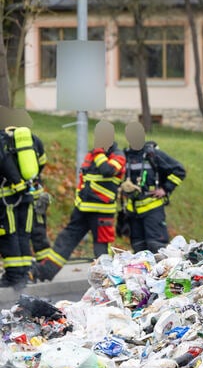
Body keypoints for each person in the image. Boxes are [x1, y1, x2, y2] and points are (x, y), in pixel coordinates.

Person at [35, 120, 126, 282]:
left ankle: (108, 280)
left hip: (102, 212)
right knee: (65, 240)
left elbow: (107, 170)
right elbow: (84, 180)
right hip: (82, 210)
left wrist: (98, 153)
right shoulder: (92, 155)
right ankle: (44, 272)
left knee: (101, 248)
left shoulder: (117, 155)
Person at [119, 121, 186, 253]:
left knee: (156, 246)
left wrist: (165, 189)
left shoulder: (153, 155)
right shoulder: (125, 156)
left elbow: (179, 171)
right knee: (138, 248)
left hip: (153, 210)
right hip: (133, 211)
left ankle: (160, 272)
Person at [0, 106, 45, 289]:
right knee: (23, 234)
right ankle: (25, 272)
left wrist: (14, 181)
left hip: (6, 199)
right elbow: (41, 162)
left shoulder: (2, 140)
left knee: (8, 234)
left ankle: (13, 276)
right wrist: (26, 181)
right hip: (27, 195)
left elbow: (2, 163)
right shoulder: (32, 139)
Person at [6, 108, 55, 273]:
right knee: (38, 231)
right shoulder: (34, 140)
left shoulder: (7, 141)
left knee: (23, 232)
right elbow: (42, 162)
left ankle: (34, 268)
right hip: (35, 192)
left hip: (17, 194)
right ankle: (44, 266)